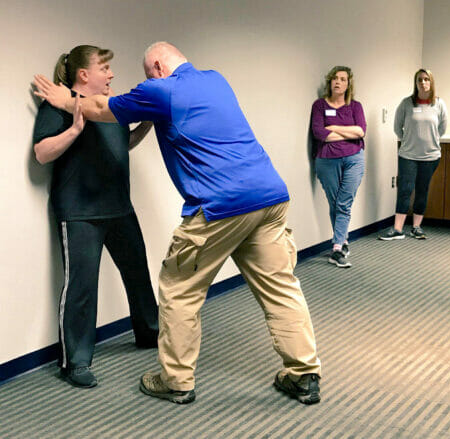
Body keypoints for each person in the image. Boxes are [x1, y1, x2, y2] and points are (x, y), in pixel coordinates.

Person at [33, 41, 322, 405]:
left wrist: (65, 99)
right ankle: (304, 373)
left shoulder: (161, 90)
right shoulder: (216, 79)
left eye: (144, 74)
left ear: (156, 66)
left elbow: (101, 108)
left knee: (179, 290)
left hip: (220, 206)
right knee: (281, 288)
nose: (123, 77)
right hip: (268, 197)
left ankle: (175, 381)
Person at [32, 45, 159, 389]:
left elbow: (122, 141)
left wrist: (147, 121)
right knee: (81, 289)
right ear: (84, 74)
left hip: (119, 206)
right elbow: (42, 153)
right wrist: (74, 129)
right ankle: (75, 362)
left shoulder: (108, 107)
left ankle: (150, 333)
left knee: (137, 273)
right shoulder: (58, 103)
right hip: (79, 212)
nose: (111, 75)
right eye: (104, 68)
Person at [379, 69, 447, 241]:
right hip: (408, 155)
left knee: (422, 191)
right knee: (405, 190)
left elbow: (442, 129)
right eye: (419, 80)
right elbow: (397, 127)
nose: (423, 83)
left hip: (430, 156)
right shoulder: (406, 104)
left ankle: (416, 227)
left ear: (431, 82)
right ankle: (397, 229)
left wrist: (428, 141)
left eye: (426, 79)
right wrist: (409, 141)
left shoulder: (439, 104)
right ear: (415, 83)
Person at [311, 66, 366, 268]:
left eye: (343, 79)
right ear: (329, 81)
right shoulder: (319, 105)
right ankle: (342, 240)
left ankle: (336, 248)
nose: (338, 82)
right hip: (326, 159)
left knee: (344, 202)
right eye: (335, 78)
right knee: (335, 202)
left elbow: (360, 131)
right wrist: (346, 133)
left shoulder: (355, 106)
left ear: (348, 83)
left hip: (354, 158)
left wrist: (333, 127)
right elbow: (319, 133)